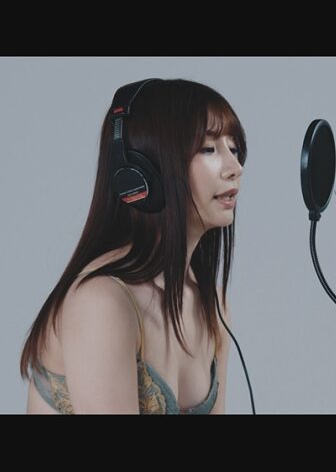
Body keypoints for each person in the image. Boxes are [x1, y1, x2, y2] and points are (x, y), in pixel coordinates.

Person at [20, 78, 246, 414]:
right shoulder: (102, 302)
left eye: (234, 148)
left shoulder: (213, 305)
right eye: (208, 149)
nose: (235, 168)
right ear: (141, 174)